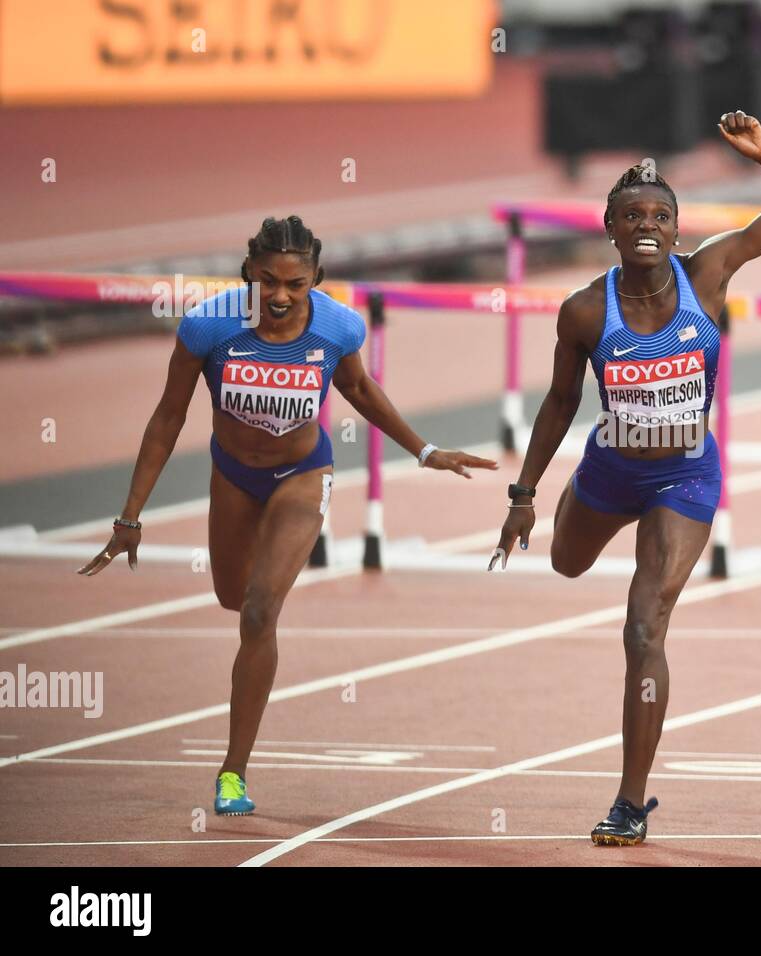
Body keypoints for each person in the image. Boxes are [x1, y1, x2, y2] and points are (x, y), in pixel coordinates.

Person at [79, 216, 497, 815]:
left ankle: (232, 773)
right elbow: (167, 417)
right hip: (232, 474)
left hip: (302, 475)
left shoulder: (337, 327)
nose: (279, 295)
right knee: (231, 596)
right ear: (248, 272)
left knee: (257, 612)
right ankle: (248, 669)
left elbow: (359, 389)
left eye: (295, 285)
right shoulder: (209, 326)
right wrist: (130, 515)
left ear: (316, 281)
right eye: (268, 281)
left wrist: (423, 450)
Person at [490, 111, 761, 845]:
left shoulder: (708, 273)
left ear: (676, 230)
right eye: (633, 214)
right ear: (610, 227)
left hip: (685, 478)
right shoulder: (584, 311)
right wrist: (525, 495)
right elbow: (559, 402)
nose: (648, 223)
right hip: (609, 471)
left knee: (645, 629)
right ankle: (584, 506)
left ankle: (630, 802)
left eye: (661, 215)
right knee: (568, 564)